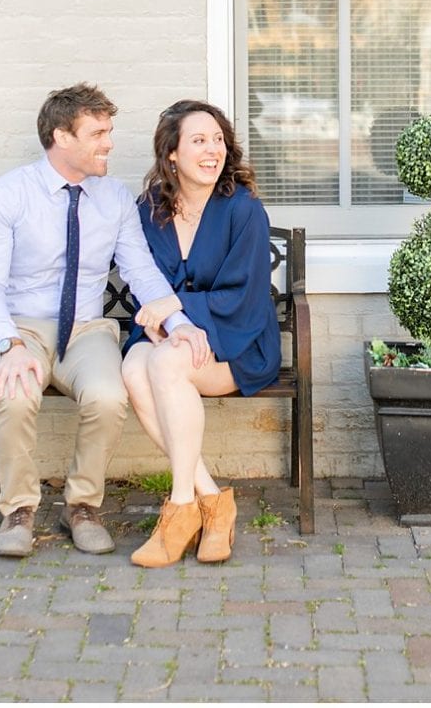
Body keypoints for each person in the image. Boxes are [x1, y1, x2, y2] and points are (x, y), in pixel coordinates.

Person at [0, 83, 186, 559]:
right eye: (97, 133)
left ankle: (83, 506)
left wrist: (177, 321)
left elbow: (139, 270)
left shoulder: (113, 199)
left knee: (110, 397)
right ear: (61, 137)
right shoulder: (9, 194)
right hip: (20, 328)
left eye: (109, 131)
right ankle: (18, 511)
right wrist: (10, 345)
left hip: (86, 330)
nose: (108, 142)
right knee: (15, 392)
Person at [121, 100, 281, 567]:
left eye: (218, 140)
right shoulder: (150, 209)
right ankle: (212, 502)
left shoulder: (243, 208)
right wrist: (172, 319)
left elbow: (246, 296)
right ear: (171, 153)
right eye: (198, 140)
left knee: (167, 365)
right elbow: (145, 283)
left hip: (239, 342)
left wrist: (179, 306)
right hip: (170, 336)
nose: (213, 150)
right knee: (133, 370)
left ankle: (179, 506)